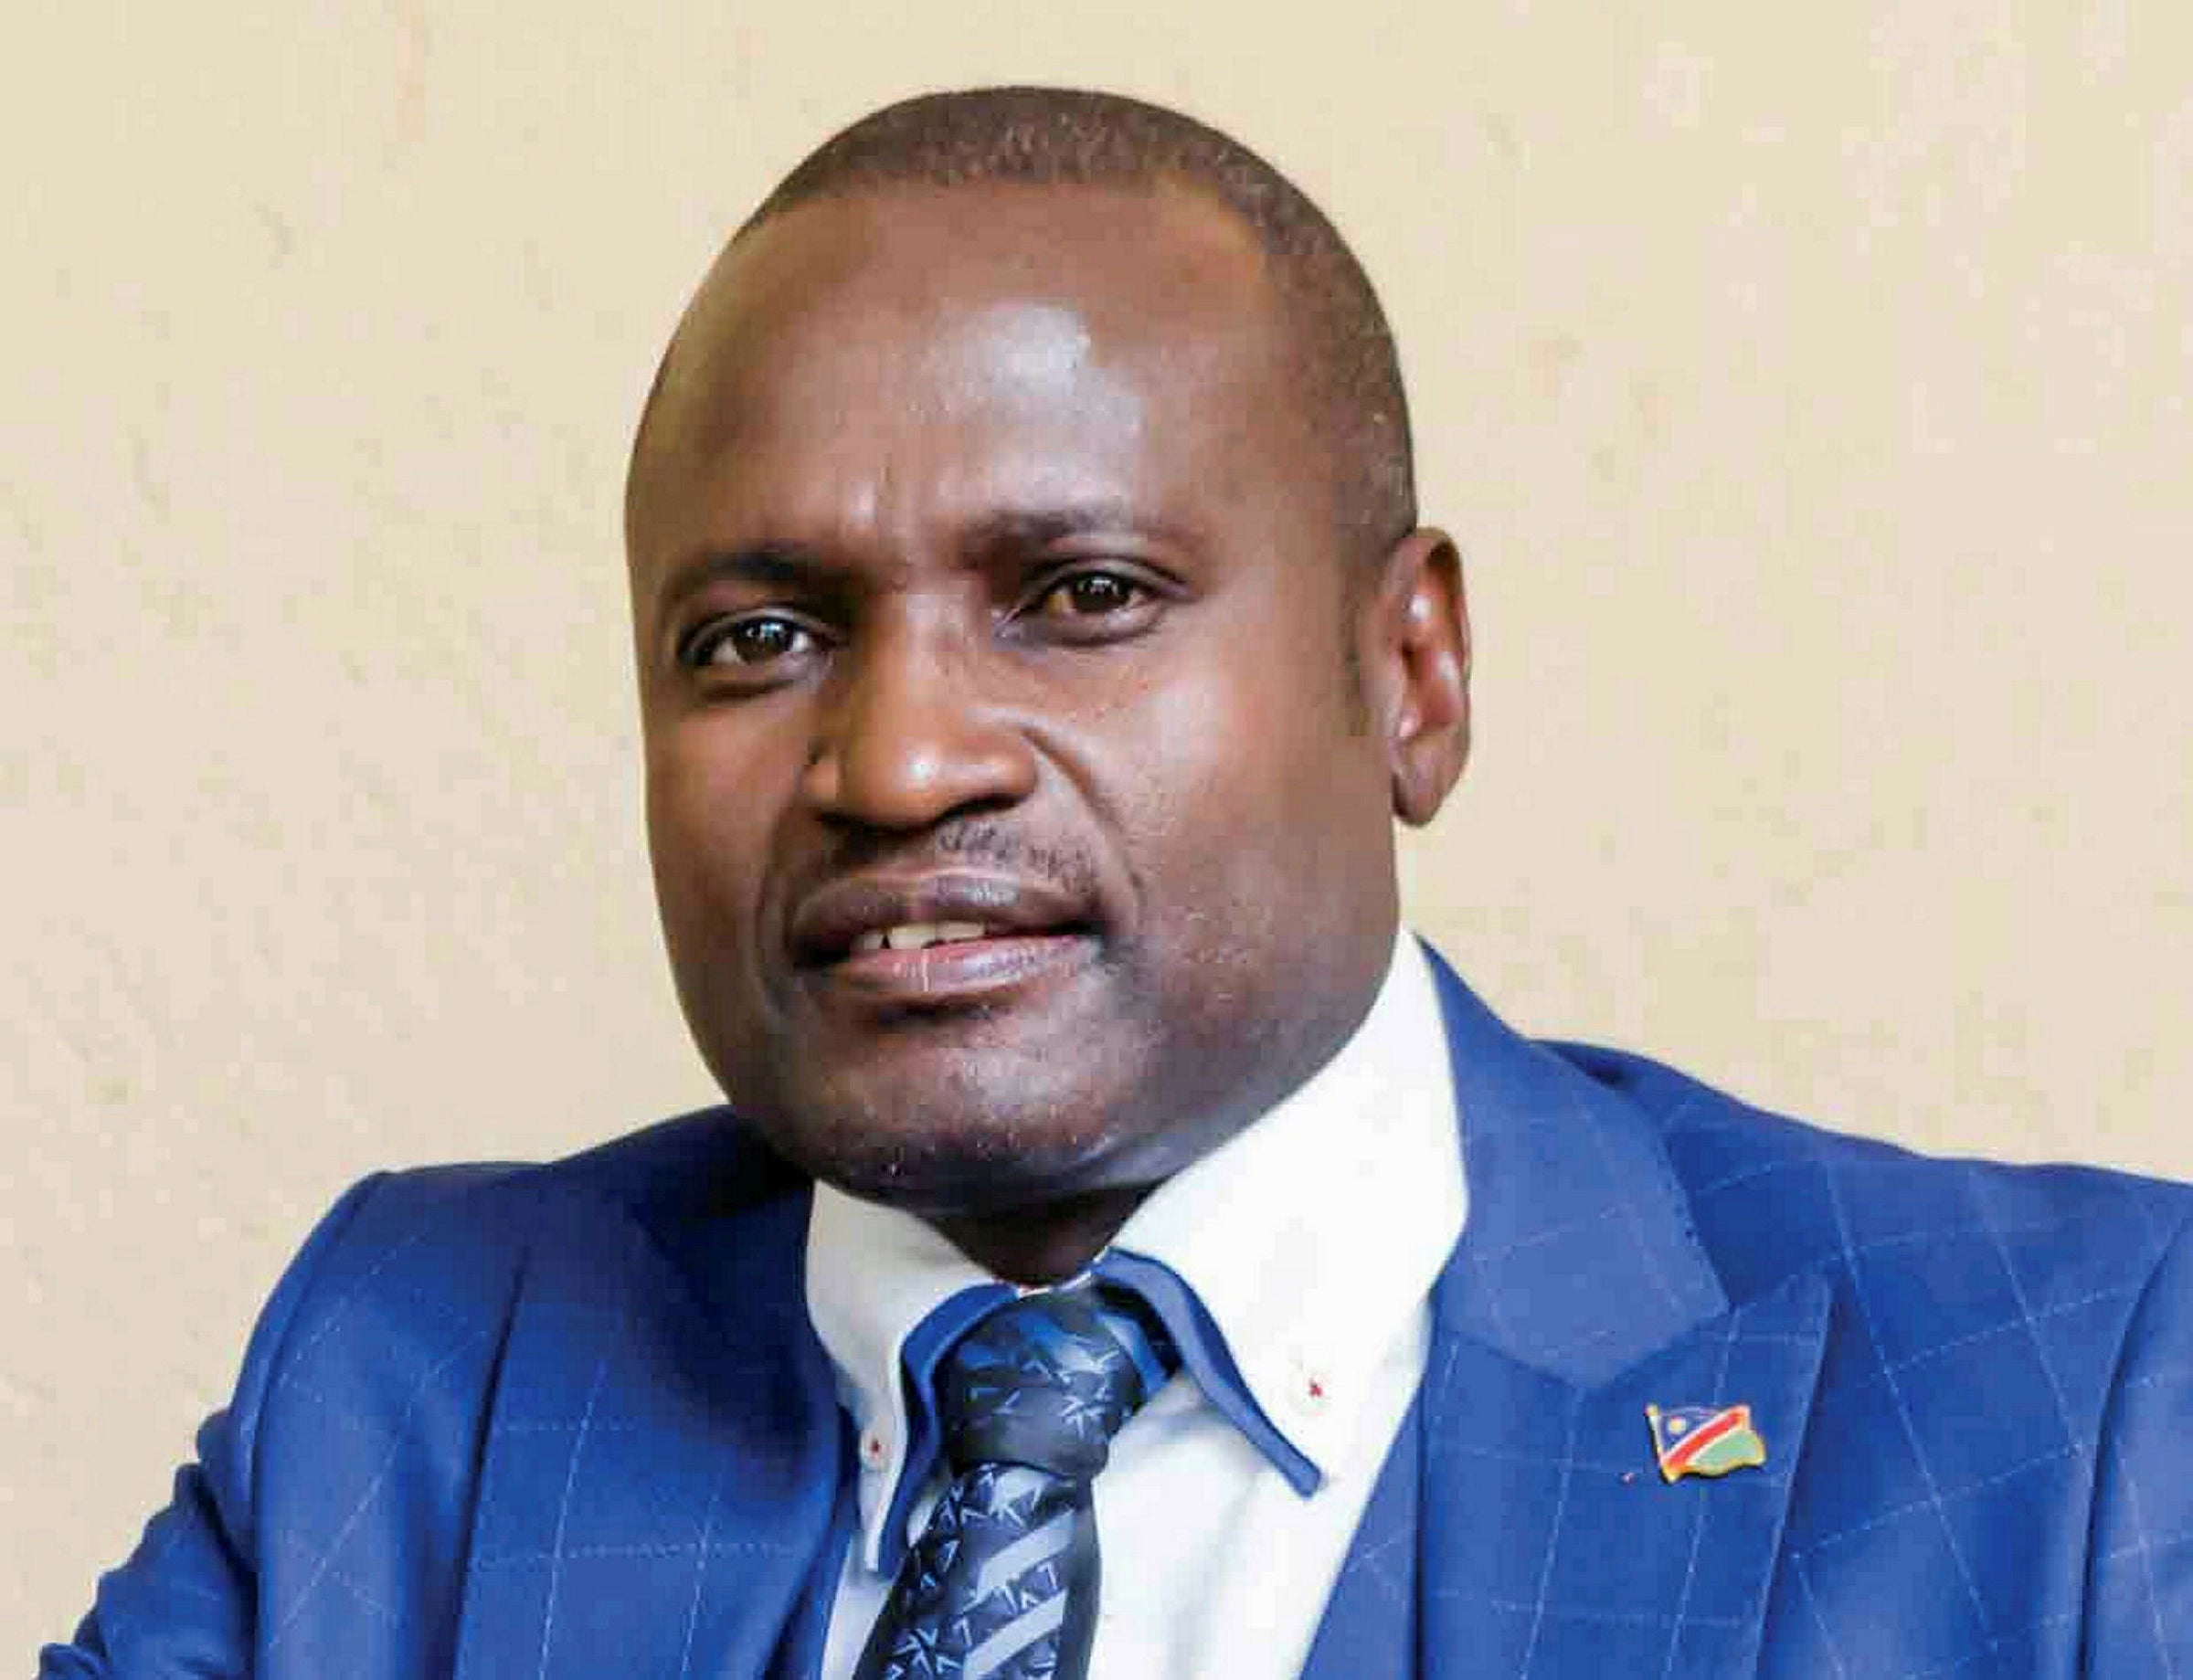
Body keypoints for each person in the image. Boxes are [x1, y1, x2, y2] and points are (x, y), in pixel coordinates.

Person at [41, 86, 2193, 1680]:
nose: (897, 760)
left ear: (1411, 673)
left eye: (1080, 594)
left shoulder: (2078, 1405)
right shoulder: (417, 1374)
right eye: (757, 638)